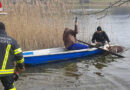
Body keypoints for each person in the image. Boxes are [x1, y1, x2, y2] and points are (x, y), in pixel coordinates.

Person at [0, 22, 25, 90]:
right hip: (8, 72)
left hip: (8, 71)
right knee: (10, 88)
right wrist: (21, 66)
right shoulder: (12, 41)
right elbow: (19, 56)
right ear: (4, 30)